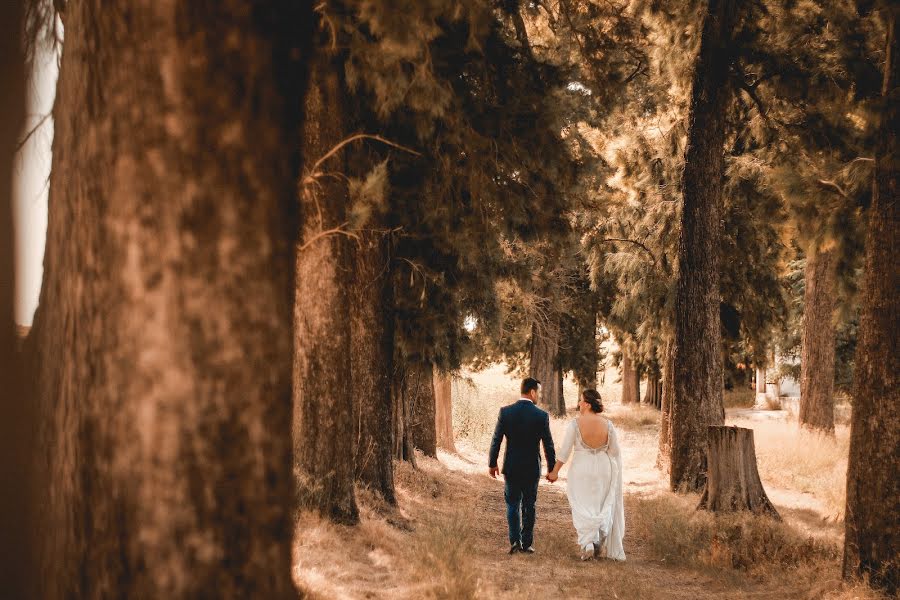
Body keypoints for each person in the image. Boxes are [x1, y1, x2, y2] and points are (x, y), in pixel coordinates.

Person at [547, 389, 625, 561]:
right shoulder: (608, 425)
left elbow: (565, 452)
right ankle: (597, 543)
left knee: (582, 504)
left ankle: (587, 544)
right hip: (604, 469)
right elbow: (615, 451)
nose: (579, 404)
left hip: (582, 468)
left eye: (581, 401)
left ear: (588, 404)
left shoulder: (575, 424)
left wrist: (554, 471)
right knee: (601, 504)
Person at [488, 377, 556, 555]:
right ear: (532, 392)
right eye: (538, 393)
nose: (538, 396)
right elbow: (548, 444)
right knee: (529, 505)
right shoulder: (541, 416)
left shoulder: (506, 412)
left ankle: (514, 541)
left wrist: (492, 463)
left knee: (512, 504)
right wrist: (552, 468)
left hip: (511, 466)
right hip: (531, 467)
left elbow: (497, 439)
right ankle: (527, 543)